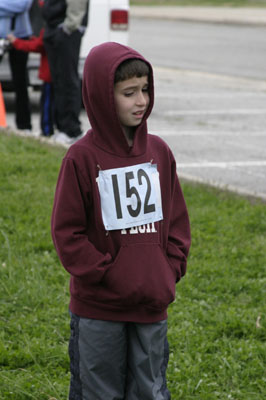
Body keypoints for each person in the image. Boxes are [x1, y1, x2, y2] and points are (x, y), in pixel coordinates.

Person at [51, 42, 191, 399]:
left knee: (150, 391)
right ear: (101, 96)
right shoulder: (81, 158)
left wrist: (168, 267)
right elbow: (67, 232)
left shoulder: (159, 152)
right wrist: (107, 273)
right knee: (98, 392)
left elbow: (176, 222)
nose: (141, 101)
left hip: (151, 304)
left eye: (145, 90)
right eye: (129, 93)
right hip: (99, 308)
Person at [42, 0, 89, 144]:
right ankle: (63, 127)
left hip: (66, 32)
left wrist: (68, 28)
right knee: (59, 81)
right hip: (55, 30)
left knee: (67, 80)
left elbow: (76, 7)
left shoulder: (66, 32)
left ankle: (71, 130)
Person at [7, 1, 54, 136]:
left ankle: (46, 132)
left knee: (47, 104)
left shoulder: (50, 30)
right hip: (49, 76)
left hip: (49, 77)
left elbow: (36, 46)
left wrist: (16, 42)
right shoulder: (48, 29)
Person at [0, 0, 33, 131]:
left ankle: (24, 125)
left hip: (20, 36)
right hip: (1, 35)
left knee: (20, 82)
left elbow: (22, 5)